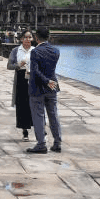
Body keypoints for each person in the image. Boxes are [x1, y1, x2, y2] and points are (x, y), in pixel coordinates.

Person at [26, 26, 62, 154]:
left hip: (38, 87)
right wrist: (49, 81)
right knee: (53, 114)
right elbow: (50, 69)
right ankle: (57, 142)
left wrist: (45, 81)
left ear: (36, 38)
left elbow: (35, 71)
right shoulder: (56, 51)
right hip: (52, 85)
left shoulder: (35, 52)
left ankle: (41, 144)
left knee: (39, 115)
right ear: (49, 37)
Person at [6, 30, 34, 142]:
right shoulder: (16, 50)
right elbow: (9, 65)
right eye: (25, 37)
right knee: (22, 105)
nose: (27, 39)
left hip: (32, 78)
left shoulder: (35, 50)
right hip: (21, 78)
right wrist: (18, 65)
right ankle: (25, 130)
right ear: (21, 39)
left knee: (34, 104)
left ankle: (39, 128)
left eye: (30, 37)